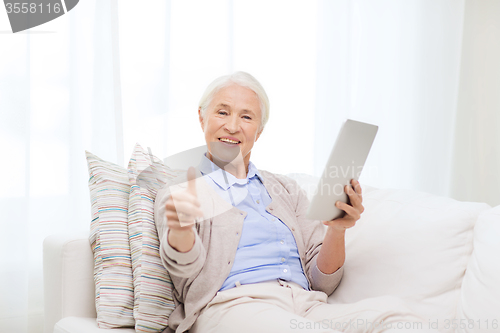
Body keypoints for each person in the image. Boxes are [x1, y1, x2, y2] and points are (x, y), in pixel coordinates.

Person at [154, 72, 435, 333]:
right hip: (233, 305)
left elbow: (323, 282)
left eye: (247, 117)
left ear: (259, 131)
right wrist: (182, 233)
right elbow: (184, 273)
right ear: (202, 118)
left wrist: (337, 230)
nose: (232, 125)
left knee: (398, 317)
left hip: (305, 305)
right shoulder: (182, 188)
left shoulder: (285, 189)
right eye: (222, 112)